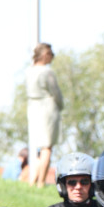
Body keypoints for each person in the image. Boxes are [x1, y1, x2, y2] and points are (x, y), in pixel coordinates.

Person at [26, 43, 63, 187]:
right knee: (47, 147)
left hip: (33, 109)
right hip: (47, 109)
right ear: (45, 55)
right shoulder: (47, 72)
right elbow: (56, 92)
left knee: (37, 147)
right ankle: (41, 182)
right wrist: (60, 105)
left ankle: (32, 181)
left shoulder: (29, 71)